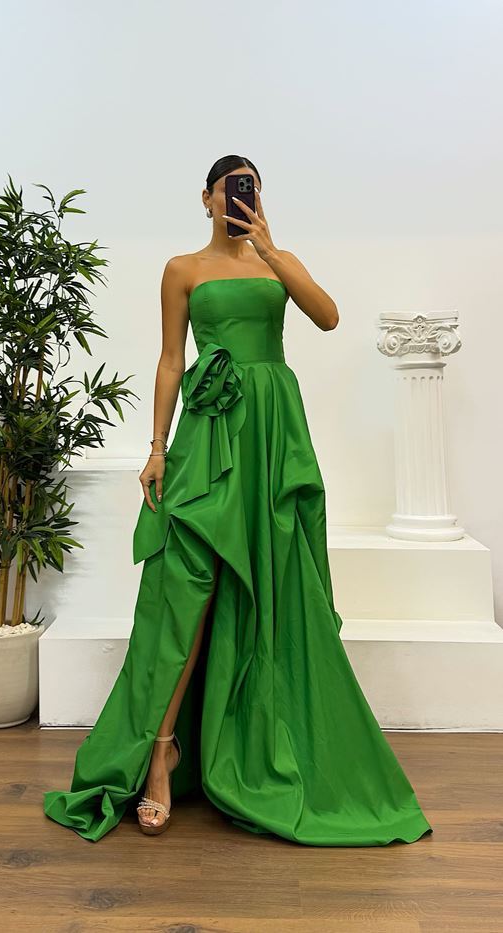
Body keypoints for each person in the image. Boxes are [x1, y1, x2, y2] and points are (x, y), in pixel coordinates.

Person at [43, 154, 433, 846]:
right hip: (210, 432)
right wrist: (157, 446)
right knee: (187, 582)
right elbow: (171, 358)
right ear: (206, 197)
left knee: (272, 579)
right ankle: (159, 748)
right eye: (231, 188)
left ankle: (256, 740)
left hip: (272, 431)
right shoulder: (182, 269)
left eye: (251, 187)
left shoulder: (276, 261)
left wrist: (271, 250)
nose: (240, 197)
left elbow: (328, 317)